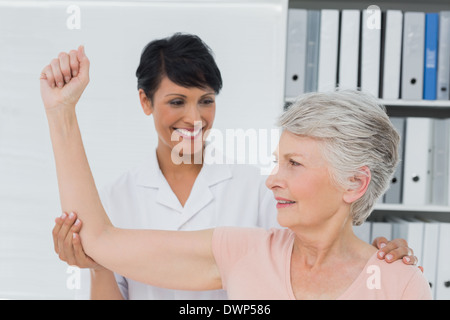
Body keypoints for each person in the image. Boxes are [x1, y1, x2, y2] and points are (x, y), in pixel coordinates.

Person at [41, 42, 426, 300]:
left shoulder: (398, 281)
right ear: (146, 101)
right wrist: (61, 113)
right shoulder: (244, 251)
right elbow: (98, 238)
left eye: (293, 163)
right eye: (278, 161)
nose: (273, 178)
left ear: (355, 183)